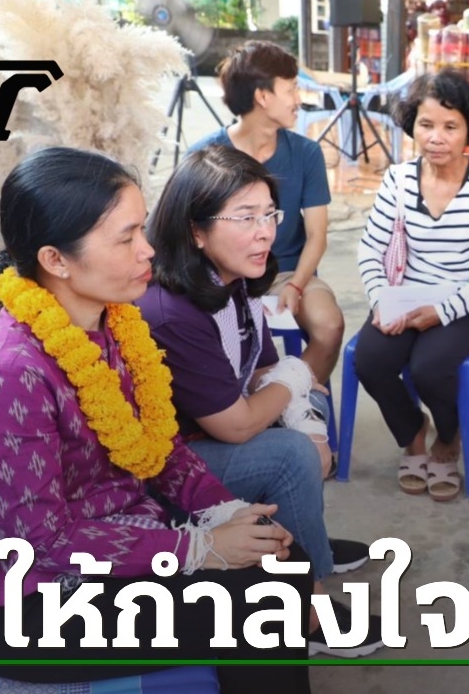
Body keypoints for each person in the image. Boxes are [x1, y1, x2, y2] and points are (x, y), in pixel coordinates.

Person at [0, 146, 343, 694]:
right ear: (56, 260)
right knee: (258, 595)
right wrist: (199, 547)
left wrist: (227, 512)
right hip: (26, 602)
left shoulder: (113, 324)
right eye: (126, 237)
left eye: (143, 229)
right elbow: (43, 541)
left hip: (114, 532)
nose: (148, 249)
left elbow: (164, 452)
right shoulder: (5, 375)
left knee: (281, 554)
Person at [138, 145, 383, 658]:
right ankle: (309, 606)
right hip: (169, 467)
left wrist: (307, 417)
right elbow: (237, 426)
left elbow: (265, 367)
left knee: (307, 425)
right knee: (290, 455)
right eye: (245, 217)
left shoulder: (235, 276)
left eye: (270, 214)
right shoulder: (172, 310)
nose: (265, 232)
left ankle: (307, 545)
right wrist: (299, 385)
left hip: (209, 434)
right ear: (196, 230)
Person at [355, 70, 469, 501]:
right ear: (412, 126)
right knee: (370, 360)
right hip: (405, 294)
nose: (436, 137)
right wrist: (381, 301)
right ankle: (413, 433)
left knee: (429, 368)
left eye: (450, 126)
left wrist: (441, 312)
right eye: (426, 124)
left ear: (468, 131)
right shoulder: (398, 179)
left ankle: (448, 436)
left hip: (468, 302)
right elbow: (370, 250)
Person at [193, 40, 345, 386]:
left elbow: (317, 236)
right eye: (291, 89)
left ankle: (294, 400)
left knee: (330, 325)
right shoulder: (206, 156)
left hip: (287, 272)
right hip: (221, 276)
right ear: (263, 97)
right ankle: (248, 405)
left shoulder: (306, 153)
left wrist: (297, 284)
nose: (298, 99)